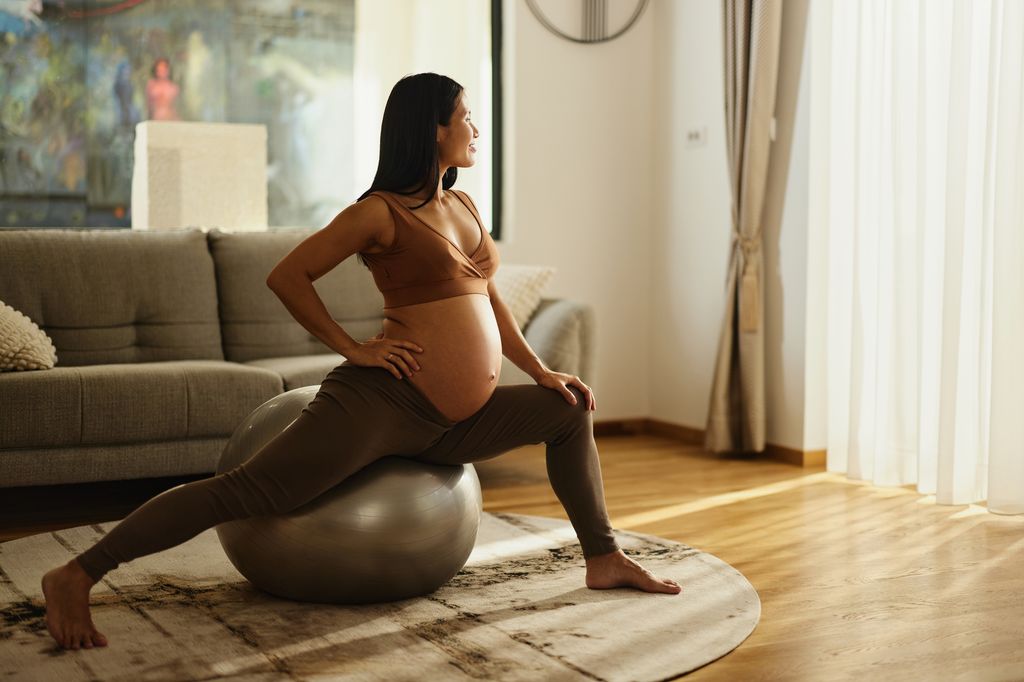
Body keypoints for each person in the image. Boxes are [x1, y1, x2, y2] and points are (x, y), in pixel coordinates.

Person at [40, 72, 681, 651]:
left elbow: (488, 300)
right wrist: (353, 348)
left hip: (455, 422)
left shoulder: (462, 206)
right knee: (246, 491)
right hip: (384, 405)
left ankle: (603, 557)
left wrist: (540, 371)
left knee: (567, 409)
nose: (474, 128)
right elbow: (289, 276)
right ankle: (78, 573)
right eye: (464, 115)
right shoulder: (377, 212)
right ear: (430, 128)